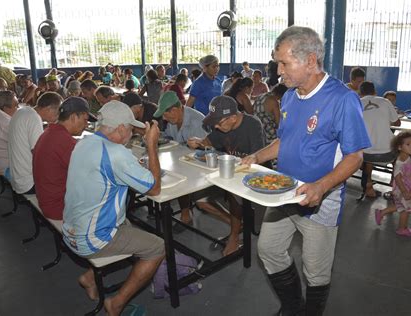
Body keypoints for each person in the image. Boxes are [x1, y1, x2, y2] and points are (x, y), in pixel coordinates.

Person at [242, 26, 370, 315]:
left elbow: (355, 157)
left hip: (319, 200)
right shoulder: (289, 96)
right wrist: (257, 156)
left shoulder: (342, 99)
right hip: (285, 191)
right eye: (278, 63)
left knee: (316, 272)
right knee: (269, 250)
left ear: (311, 61)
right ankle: (292, 307)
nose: (278, 71)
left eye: (284, 63)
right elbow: (285, 140)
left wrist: (320, 187)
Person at [62, 100, 164, 316]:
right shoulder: (117, 153)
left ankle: (89, 277)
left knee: (127, 222)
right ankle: (116, 303)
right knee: (158, 247)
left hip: (70, 228)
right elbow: (154, 188)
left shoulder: (84, 142)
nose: (131, 134)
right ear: (120, 129)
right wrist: (151, 145)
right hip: (90, 238)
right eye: (129, 128)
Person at [188, 95, 265, 255]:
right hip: (230, 175)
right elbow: (209, 141)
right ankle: (235, 233)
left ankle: (235, 234)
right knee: (201, 200)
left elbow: (258, 160)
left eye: (219, 122)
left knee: (257, 227)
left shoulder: (252, 125)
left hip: (255, 177)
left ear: (232, 117)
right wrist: (199, 142)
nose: (216, 126)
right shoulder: (222, 127)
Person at [153, 91, 207, 225]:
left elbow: (208, 150)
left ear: (176, 109)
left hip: (203, 166)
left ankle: (236, 224)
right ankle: (185, 214)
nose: (164, 119)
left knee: (202, 203)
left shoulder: (197, 121)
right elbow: (171, 137)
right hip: (183, 162)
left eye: (165, 114)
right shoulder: (174, 119)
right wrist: (157, 136)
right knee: (171, 175)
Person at [32, 97, 89, 220]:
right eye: (85, 120)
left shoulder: (50, 132)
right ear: (74, 117)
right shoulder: (64, 142)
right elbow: (90, 174)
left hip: (47, 199)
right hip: (59, 207)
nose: (86, 125)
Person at [8, 92, 62, 194]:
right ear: (48, 109)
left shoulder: (23, 111)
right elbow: (39, 154)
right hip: (28, 183)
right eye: (57, 113)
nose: (57, 117)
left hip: (17, 178)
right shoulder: (34, 118)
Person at [360, 81, 401, 198]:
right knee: (401, 155)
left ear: (360, 93)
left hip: (365, 155)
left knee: (369, 153)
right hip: (387, 153)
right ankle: (395, 186)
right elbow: (397, 123)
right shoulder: (385, 101)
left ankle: (368, 186)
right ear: (375, 91)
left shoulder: (356, 102)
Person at [374, 131, 411, 237]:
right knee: (406, 209)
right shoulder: (400, 162)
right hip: (401, 189)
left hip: (403, 188)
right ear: (399, 147)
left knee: (399, 206)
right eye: (408, 144)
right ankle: (402, 229)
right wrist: (404, 191)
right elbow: (397, 177)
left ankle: (381, 213)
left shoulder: (406, 156)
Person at [0, 91, 18, 177]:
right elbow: (22, 142)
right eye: (16, 105)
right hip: (7, 166)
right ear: (5, 108)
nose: (18, 108)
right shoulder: (4, 122)